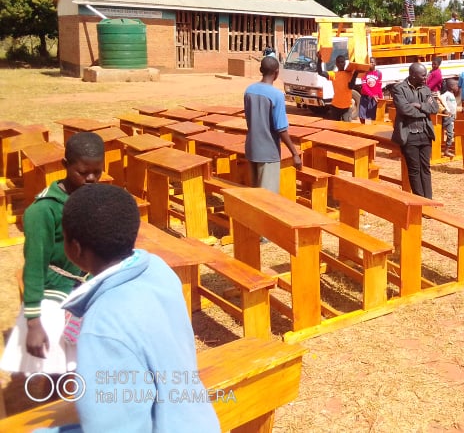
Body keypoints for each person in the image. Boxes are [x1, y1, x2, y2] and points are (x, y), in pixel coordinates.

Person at [58, 183, 220, 431]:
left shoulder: (101, 325)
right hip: (194, 419)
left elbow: (112, 425)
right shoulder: (157, 269)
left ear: (76, 248)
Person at [0, 133, 104, 381]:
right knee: (55, 365)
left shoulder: (93, 197)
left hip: (87, 284)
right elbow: (35, 266)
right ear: (65, 165)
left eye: (97, 172)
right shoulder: (43, 210)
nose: (91, 179)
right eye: (83, 172)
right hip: (54, 288)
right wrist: (33, 322)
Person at [244, 56, 302, 192]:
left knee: (255, 193)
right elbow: (281, 128)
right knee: (267, 197)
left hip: (252, 148)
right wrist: (294, 153)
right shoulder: (276, 95)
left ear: (260, 70)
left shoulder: (249, 91)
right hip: (268, 152)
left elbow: (249, 120)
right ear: (277, 72)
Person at [391, 63, 438, 198]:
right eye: (423, 75)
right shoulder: (399, 89)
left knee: (426, 168)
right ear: (413, 75)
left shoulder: (426, 89)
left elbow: (434, 108)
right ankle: (420, 201)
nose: (425, 78)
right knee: (414, 170)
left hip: (425, 133)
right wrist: (424, 111)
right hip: (409, 135)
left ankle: (429, 200)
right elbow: (404, 109)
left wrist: (419, 105)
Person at [318, 54, 359, 121]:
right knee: (335, 126)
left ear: (345, 63)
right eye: (338, 62)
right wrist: (319, 59)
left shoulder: (349, 74)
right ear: (336, 64)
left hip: (347, 107)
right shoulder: (334, 74)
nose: (340, 64)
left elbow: (351, 87)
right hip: (335, 107)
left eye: (342, 62)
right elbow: (320, 72)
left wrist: (355, 74)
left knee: (346, 126)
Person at [359, 57, 383, 124]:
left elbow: (379, 87)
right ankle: (362, 127)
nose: (370, 64)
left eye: (372, 62)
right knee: (362, 115)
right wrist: (372, 95)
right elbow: (364, 86)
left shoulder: (379, 73)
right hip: (365, 97)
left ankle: (372, 128)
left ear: (375, 63)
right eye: (369, 62)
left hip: (374, 98)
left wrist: (381, 98)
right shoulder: (364, 73)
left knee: (373, 116)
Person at [438, 78, 459, 157]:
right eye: (457, 85)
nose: (458, 87)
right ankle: (445, 151)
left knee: (450, 134)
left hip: (452, 117)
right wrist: (446, 110)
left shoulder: (452, 95)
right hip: (447, 118)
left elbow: (454, 106)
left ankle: (446, 150)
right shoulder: (446, 95)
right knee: (449, 134)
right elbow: (441, 101)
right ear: (452, 86)